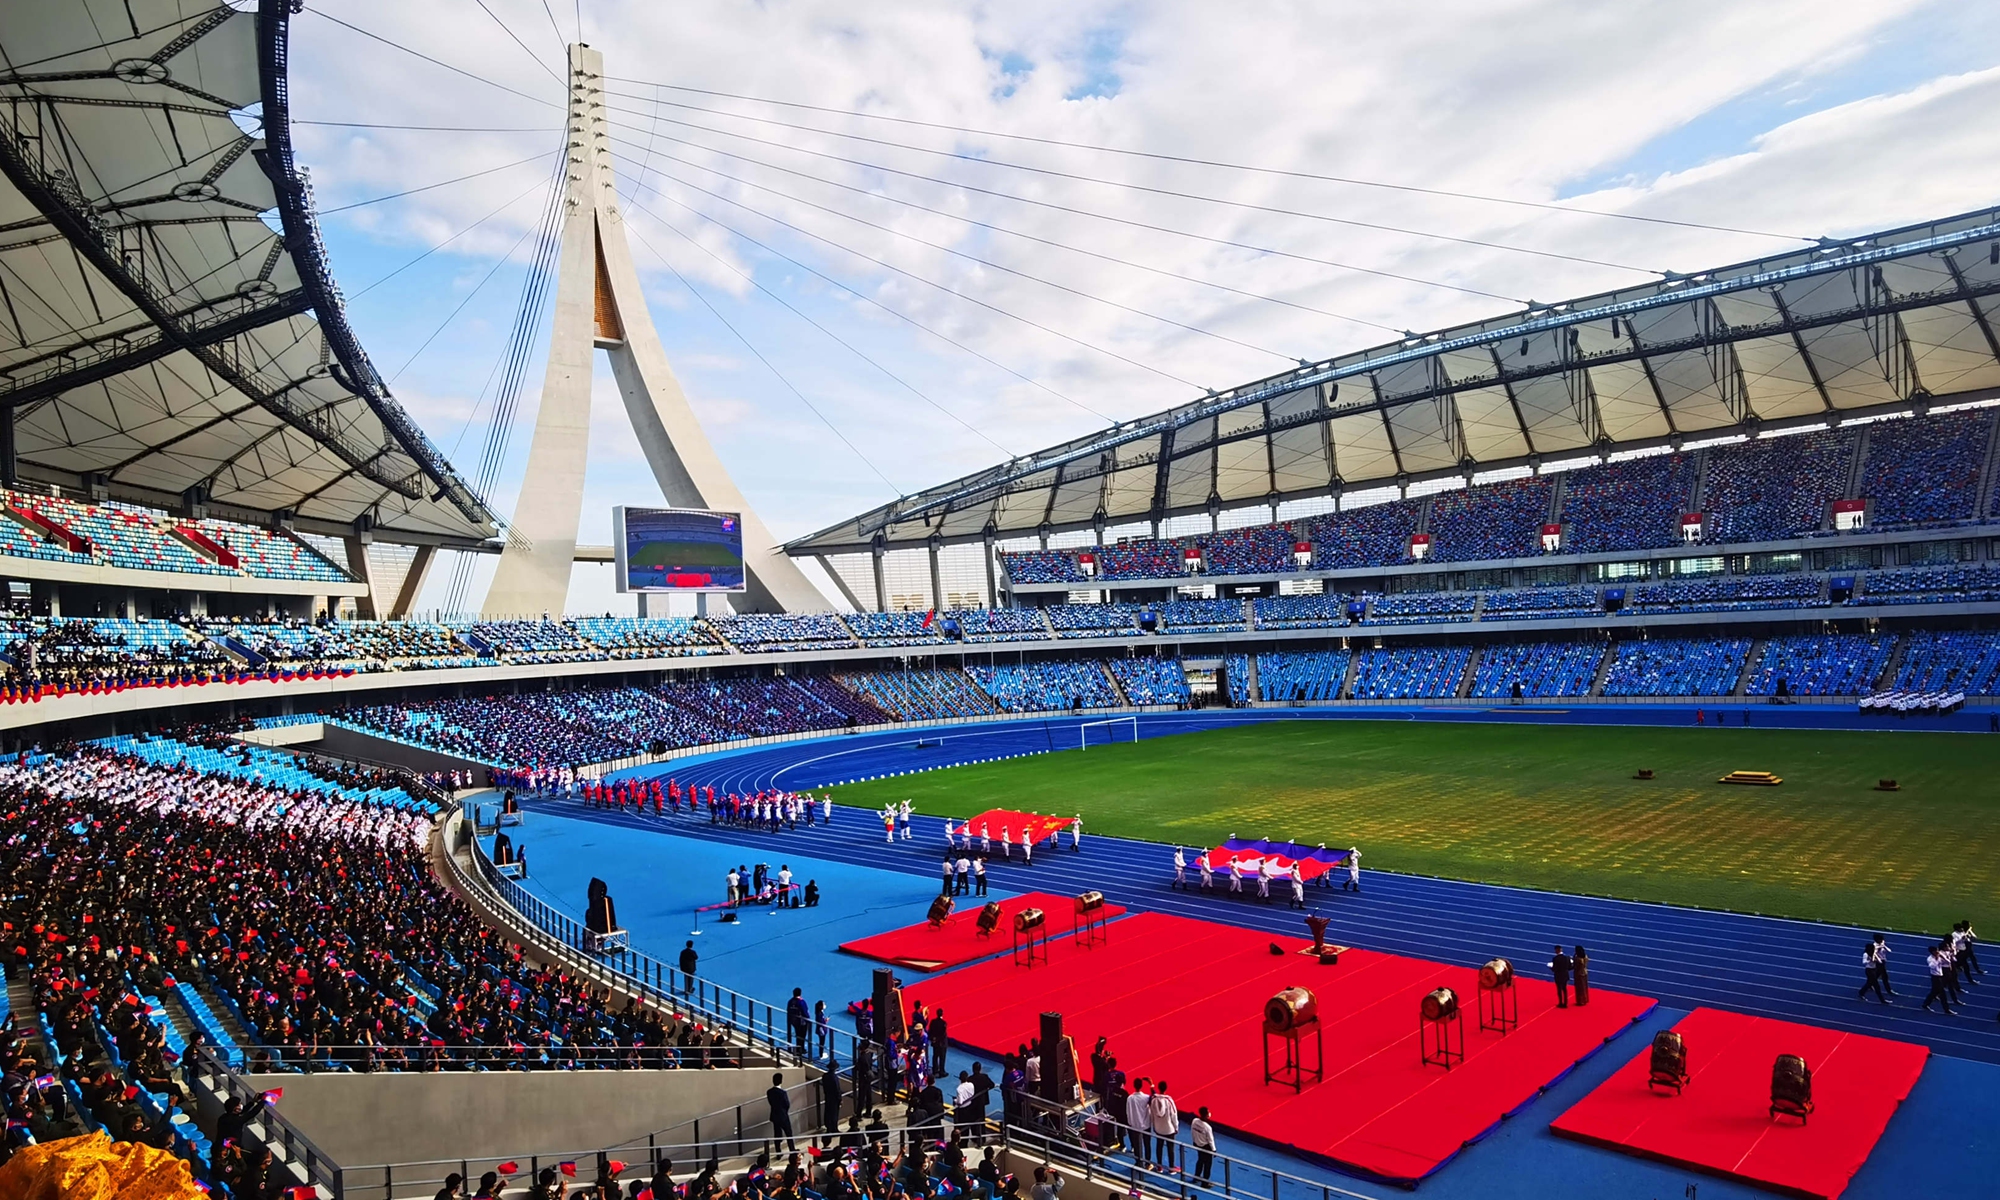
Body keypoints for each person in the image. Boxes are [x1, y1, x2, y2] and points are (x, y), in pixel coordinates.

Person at [1150, 1081, 1180, 1171]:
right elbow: (1174, 1115)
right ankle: (1171, 1167)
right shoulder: (1169, 1101)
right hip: (1169, 1129)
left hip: (1158, 1128)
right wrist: (1176, 1127)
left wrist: (1154, 1125)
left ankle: (1159, 1166)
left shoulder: (1154, 1100)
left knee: (1159, 1146)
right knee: (1170, 1148)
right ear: (1166, 1088)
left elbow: (1151, 1113)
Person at [1125, 1079, 1154, 1167]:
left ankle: (1138, 1161)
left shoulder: (1130, 1098)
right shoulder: (1146, 1097)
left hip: (1134, 1125)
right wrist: (1151, 1085)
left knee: (1137, 1145)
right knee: (1147, 1144)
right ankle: (1148, 1162)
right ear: (1141, 1086)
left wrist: (1130, 1122)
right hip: (1145, 1124)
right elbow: (1154, 1097)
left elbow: (1127, 1111)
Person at [1922, 943, 1956, 1014]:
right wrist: (1937, 959)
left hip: (1941, 976)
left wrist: (1943, 958)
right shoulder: (1930, 959)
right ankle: (1946, 1009)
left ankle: (1925, 1004)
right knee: (1942, 994)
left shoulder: (1940, 956)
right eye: (1936, 951)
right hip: (1935, 977)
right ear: (1933, 952)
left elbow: (1948, 962)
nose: (1938, 952)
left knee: (1934, 992)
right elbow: (1932, 966)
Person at [1858, 938, 1890, 1004]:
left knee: (1869, 983)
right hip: (1869, 971)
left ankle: (1861, 992)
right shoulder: (1866, 954)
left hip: (1874, 970)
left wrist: (1878, 960)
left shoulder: (1873, 954)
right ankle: (1882, 1000)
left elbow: (1879, 961)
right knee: (1876, 986)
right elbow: (1864, 962)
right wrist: (1870, 961)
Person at [768, 1071, 795, 1148]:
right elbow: (787, 1104)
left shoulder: (769, 1092)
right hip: (783, 1116)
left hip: (774, 1115)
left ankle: (778, 1151)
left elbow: (771, 1102)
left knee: (777, 1134)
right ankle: (792, 1150)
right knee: (789, 1133)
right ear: (781, 1081)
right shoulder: (782, 1093)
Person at [1190, 1106, 1216, 1184]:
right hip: (1206, 1147)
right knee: (1207, 1165)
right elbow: (1210, 1140)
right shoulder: (1207, 1127)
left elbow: (1192, 1131)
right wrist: (1214, 1150)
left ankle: (1196, 1177)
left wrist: (1194, 1141)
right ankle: (1205, 1183)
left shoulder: (1194, 1121)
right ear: (1206, 1115)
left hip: (1198, 1144)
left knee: (1200, 1160)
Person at [788, 989, 811, 1055]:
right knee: (802, 1035)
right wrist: (808, 1019)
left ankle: (799, 1048)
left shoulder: (790, 1001)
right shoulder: (801, 1002)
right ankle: (801, 1049)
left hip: (794, 1021)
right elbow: (805, 1012)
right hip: (802, 1022)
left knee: (798, 1034)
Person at [930, 1008, 949, 1076]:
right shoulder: (943, 1023)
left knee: (935, 1056)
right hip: (942, 1043)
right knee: (942, 1057)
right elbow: (943, 1034)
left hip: (935, 1043)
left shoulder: (933, 1021)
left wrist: (933, 1039)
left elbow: (930, 1031)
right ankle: (941, 1071)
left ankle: (935, 1070)